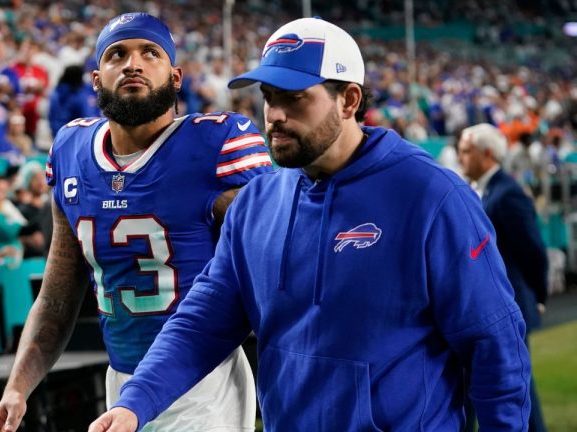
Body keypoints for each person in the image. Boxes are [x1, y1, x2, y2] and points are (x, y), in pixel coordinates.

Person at [89, 17, 531, 432]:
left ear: (349, 100)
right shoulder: (255, 204)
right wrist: (133, 404)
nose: (275, 114)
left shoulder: (432, 197)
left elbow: (494, 344)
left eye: (294, 97)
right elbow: (201, 323)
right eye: (269, 97)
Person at [0, 12, 273, 432]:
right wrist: (17, 386)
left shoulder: (216, 144)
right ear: (96, 79)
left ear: (176, 78)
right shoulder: (71, 151)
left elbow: (272, 264)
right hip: (120, 379)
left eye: (150, 53)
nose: (133, 64)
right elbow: (58, 295)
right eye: (117, 54)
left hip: (203, 382)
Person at [457, 122, 549, 432]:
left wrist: (538, 296)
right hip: (482, 310)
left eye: (467, 151)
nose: (460, 156)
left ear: (488, 154)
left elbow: (533, 251)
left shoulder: (508, 193)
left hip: (509, 307)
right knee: (480, 385)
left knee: (515, 390)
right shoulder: (480, 191)